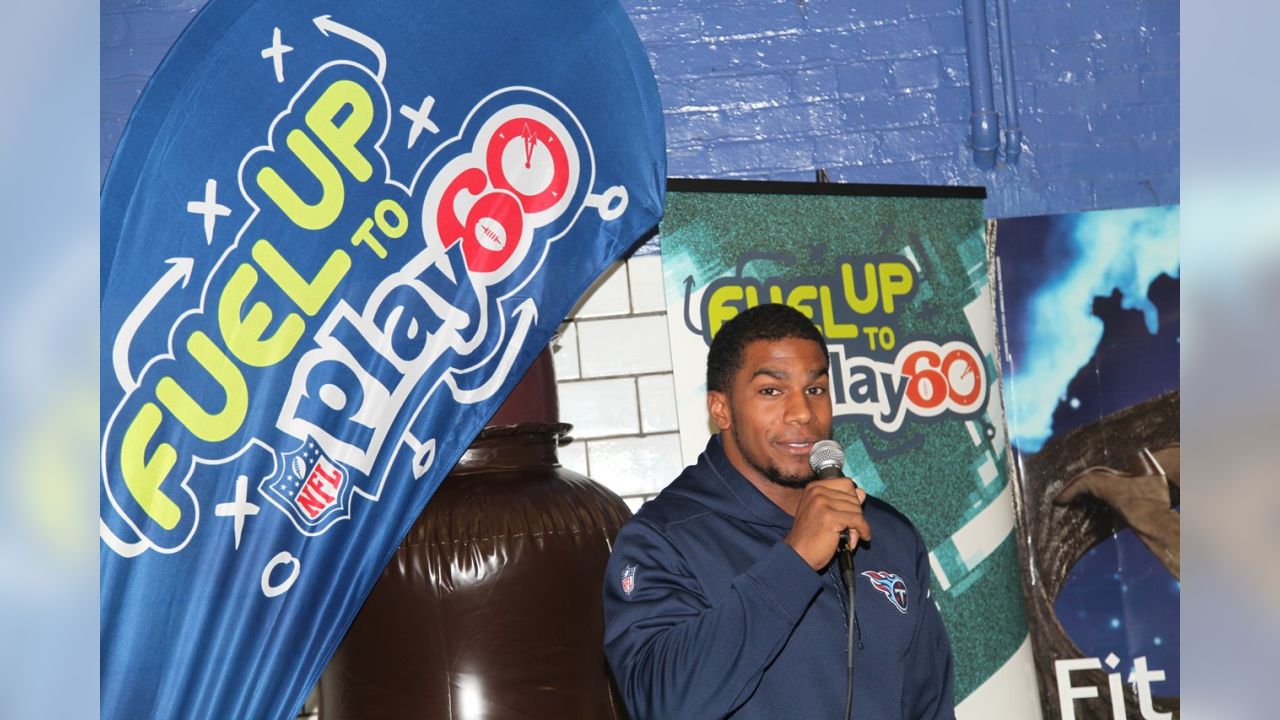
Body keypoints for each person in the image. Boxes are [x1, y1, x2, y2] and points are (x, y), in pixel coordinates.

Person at [602, 303, 955, 719]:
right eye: (771, 391)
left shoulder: (887, 532)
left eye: (816, 389)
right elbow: (660, 702)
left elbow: (928, 705)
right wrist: (796, 559)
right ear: (721, 409)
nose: (803, 412)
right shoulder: (662, 539)